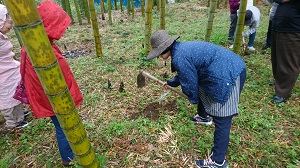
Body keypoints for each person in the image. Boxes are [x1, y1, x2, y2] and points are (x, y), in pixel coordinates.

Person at [147, 30, 246, 168]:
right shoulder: (180, 49)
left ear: (163, 49)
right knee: (202, 88)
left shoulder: (179, 57)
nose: (158, 56)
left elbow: (190, 83)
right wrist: (171, 83)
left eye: (157, 53)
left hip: (229, 74)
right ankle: (203, 116)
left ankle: (218, 161)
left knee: (222, 118)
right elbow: (187, 73)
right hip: (226, 66)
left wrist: (192, 98)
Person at [20, 0, 83, 165]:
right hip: (53, 98)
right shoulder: (42, 53)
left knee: (62, 126)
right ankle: (68, 158)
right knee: (63, 127)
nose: (65, 29)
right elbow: (63, 77)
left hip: (48, 96)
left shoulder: (34, 45)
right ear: (48, 24)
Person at [0, 4, 29, 131]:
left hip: (10, 68)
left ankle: (19, 116)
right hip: (2, 73)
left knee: (16, 91)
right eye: (8, 24)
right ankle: (12, 123)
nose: (10, 27)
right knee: (6, 97)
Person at [270, 0, 300, 103]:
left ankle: (283, 92)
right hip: (279, 25)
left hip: (292, 28)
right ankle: (279, 80)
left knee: (288, 61)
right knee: (277, 58)